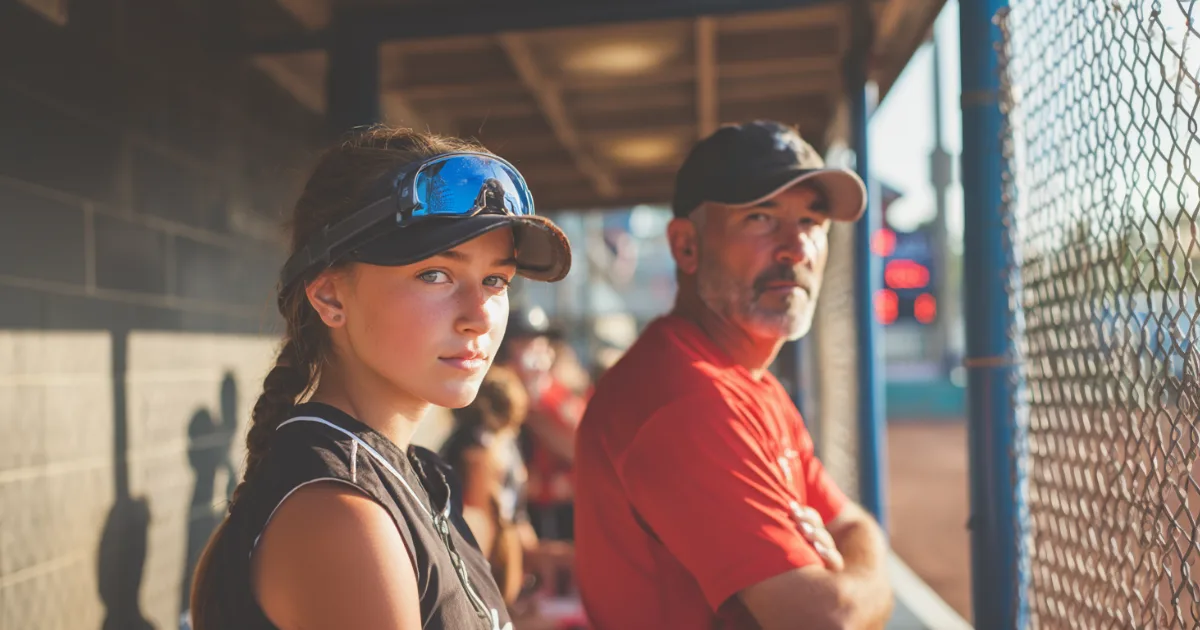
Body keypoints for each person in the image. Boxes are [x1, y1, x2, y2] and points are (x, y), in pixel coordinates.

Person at [187, 126, 572, 630]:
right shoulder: (342, 515)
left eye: (495, 280)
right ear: (329, 297)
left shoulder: (410, 475)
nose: (478, 315)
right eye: (435, 274)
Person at [574, 120, 894, 630]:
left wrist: (848, 574)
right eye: (762, 219)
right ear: (686, 247)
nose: (796, 248)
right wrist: (863, 580)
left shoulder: (752, 383)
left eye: (812, 221)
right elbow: (825, 619)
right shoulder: (686, 397)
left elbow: (854, 524)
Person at [439, 365, 535, 603]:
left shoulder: (506, 443)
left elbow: (514, 513)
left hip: (502, 552)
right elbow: (476, 521)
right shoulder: (472, 451)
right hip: (475, 554)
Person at [497, 306, 585, 543]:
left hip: (555, 514)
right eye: (528, 345)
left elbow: (587, 451)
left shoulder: (554, 398)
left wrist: (550, 487)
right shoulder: (490, 403)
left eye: (542, 345)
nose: (539, 356)